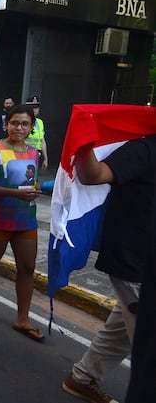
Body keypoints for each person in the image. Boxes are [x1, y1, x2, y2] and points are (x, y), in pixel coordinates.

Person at [60, 135, 156, 403]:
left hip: (144, 266)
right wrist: (85, 138)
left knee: (121, 331)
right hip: (135, 264)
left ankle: (81, 378)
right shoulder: (146, 148)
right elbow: (92, 175)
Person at [0, 104, 44, 341]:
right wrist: (15, 194)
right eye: (15, 122)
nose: (19, 127)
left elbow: (32, 182)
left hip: (26, 220)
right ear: (6, 124)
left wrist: (36, 190)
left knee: (27, 269)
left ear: (31, 128)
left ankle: (22, 318)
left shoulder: (34, 153)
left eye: (25, 124)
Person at [25, 96, 49, 170]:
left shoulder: (40, 122)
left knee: (34, 178)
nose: (34, 110)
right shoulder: (23, 121)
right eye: (32, 107)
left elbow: (42, 141)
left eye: (36, 107)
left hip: (36, 155)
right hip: (24, 154)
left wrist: (45, 158)